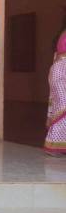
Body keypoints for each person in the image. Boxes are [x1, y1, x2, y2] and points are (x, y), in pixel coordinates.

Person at [46, 29, 66, 157]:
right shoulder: (64, 35)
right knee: (63, 107)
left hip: (59, 71)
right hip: (61, 72)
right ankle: (54, 145)